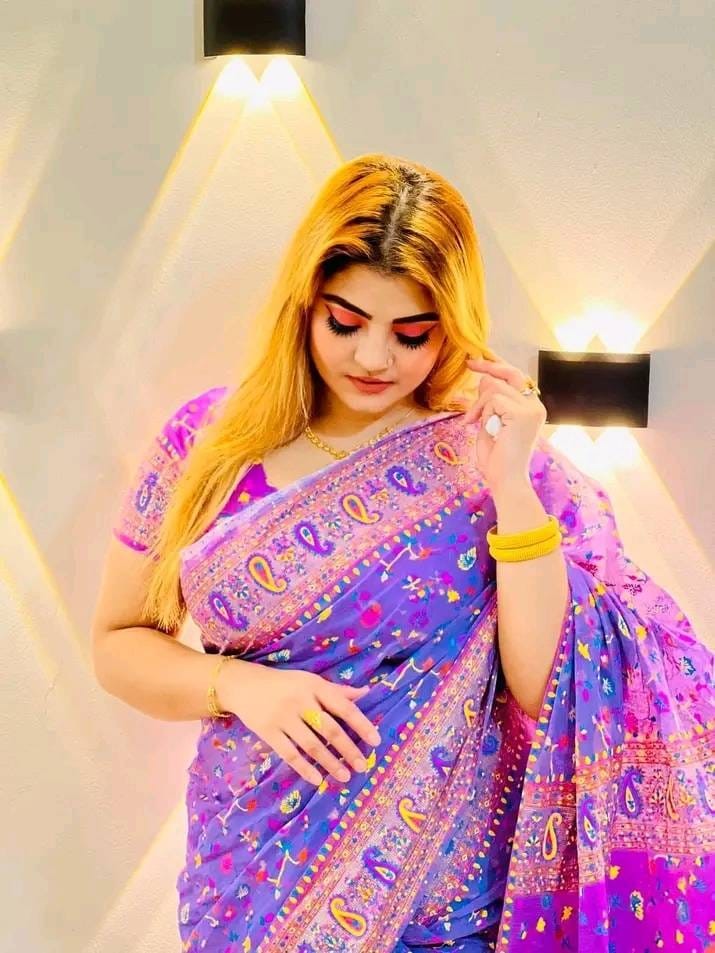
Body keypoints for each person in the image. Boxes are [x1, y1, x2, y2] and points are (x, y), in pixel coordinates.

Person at [91, 154, 715, 952]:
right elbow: (118, 642)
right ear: (303, 303)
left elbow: (548, 683)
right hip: (252, 878)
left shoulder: (485, 458)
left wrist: (510, 484)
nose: (373, 359)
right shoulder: (204, 444)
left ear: (449, 325)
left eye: (411, 333)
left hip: (447, 898)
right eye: (345, 323)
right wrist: (238, 685)